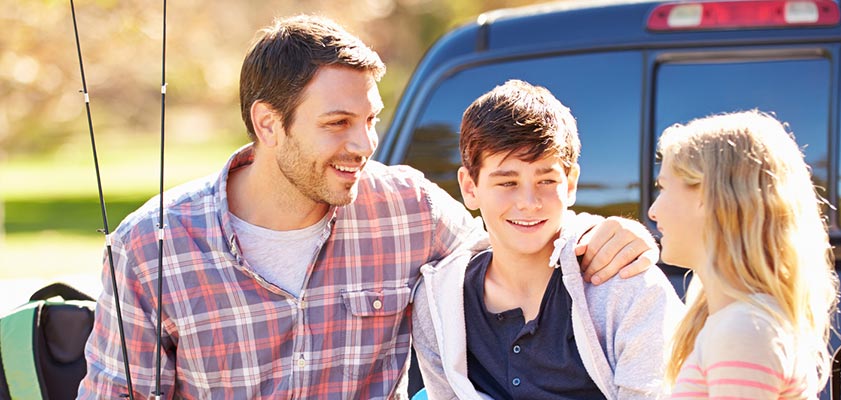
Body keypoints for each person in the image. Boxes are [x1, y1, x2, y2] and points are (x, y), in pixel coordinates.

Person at [78, 15, 659, 399]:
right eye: (338, 124)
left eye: (370, 120)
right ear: (267, 123)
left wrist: (606, 231)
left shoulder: (408, 209)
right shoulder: (149, 247)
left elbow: (517, 229)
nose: (364, 146)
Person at [411, 80, 684, 400]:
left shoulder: (625, 286)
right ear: (470, 187)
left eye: (546, 180)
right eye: (507, 182)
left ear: (570, 184)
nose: (529, 201)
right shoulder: (440, 304)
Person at [648, 110, 839, 399]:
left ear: (707, 196)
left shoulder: (743, 329)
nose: (653, 211)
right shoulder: (737, 322)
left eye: (663, 188)